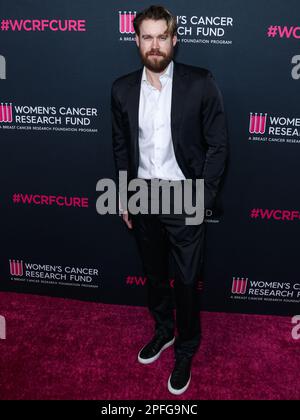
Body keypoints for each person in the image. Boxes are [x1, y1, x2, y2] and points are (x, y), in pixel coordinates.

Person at [111, 5, 228, 395]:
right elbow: (122, 145)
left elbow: (218, 145)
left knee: (186, 281)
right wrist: (126, 194)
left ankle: (186, 350)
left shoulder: (200, 83)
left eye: (163, 36)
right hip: (143, 195)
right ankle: (163, 333)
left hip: (185, 196)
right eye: (148, 37)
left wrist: (203, 197)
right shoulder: (122, 88)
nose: (155, 45)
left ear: (175, 40)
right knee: (155, 275)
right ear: (137, 41)